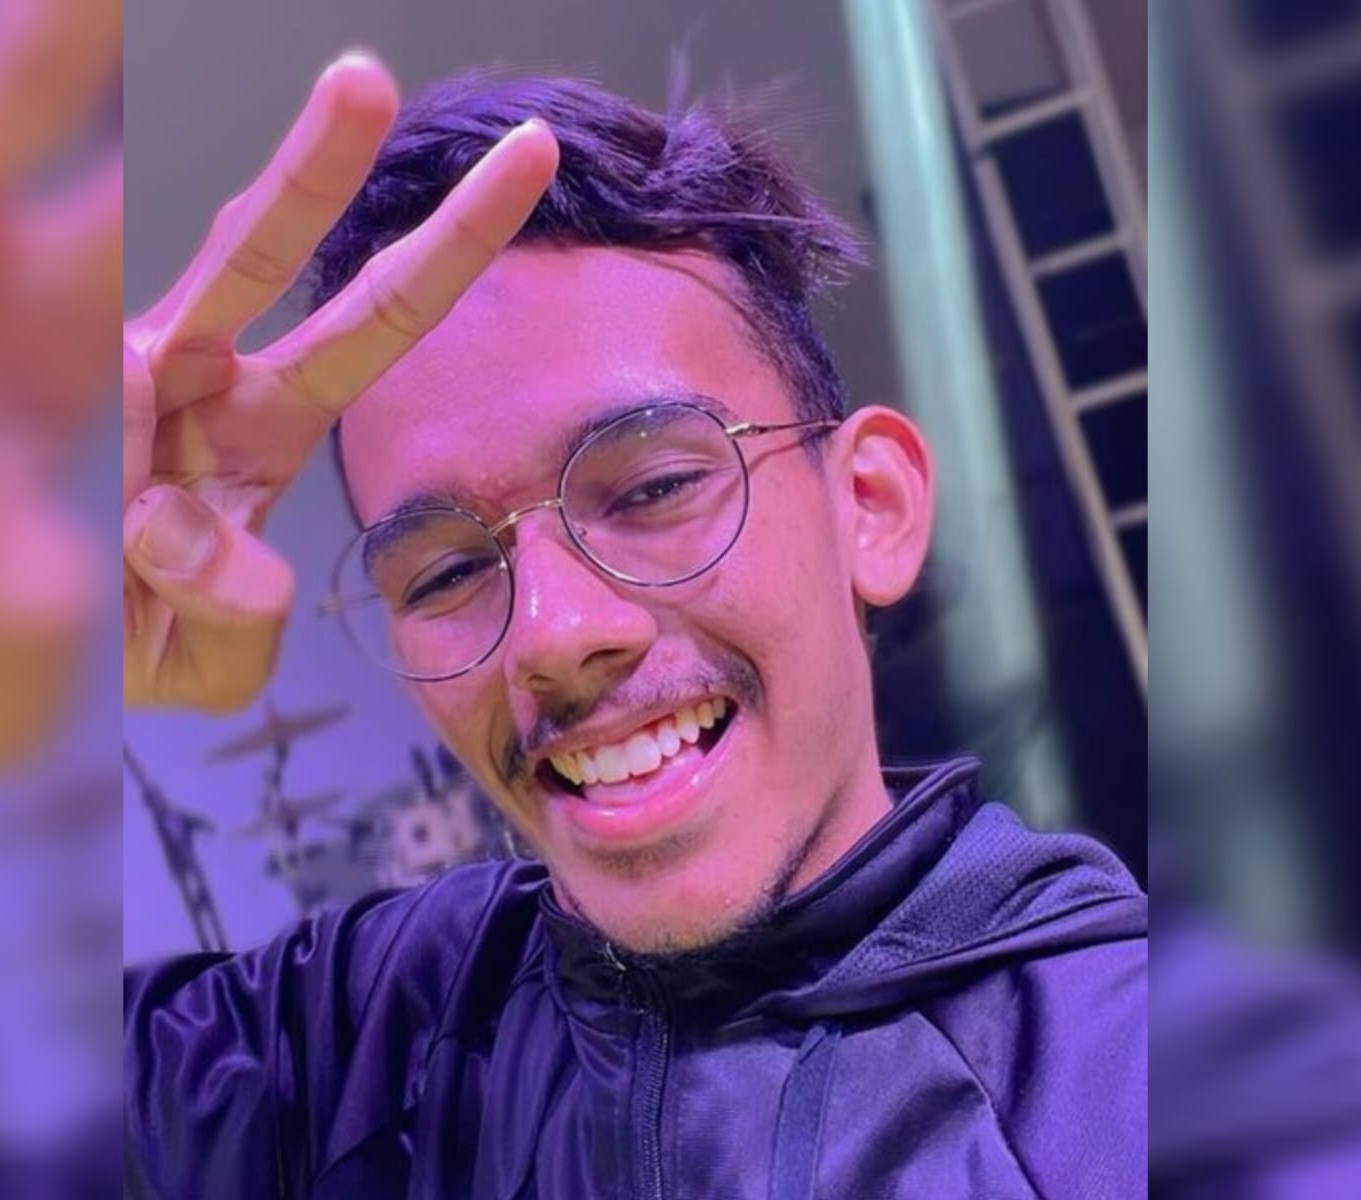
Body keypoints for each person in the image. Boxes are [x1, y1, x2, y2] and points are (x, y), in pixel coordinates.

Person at [123, 53, 1146, 1199]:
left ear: (870, 506)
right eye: (448, 573)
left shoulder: (1132, 1073)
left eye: (656, 488)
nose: (552, 635)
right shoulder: (351, 1046)